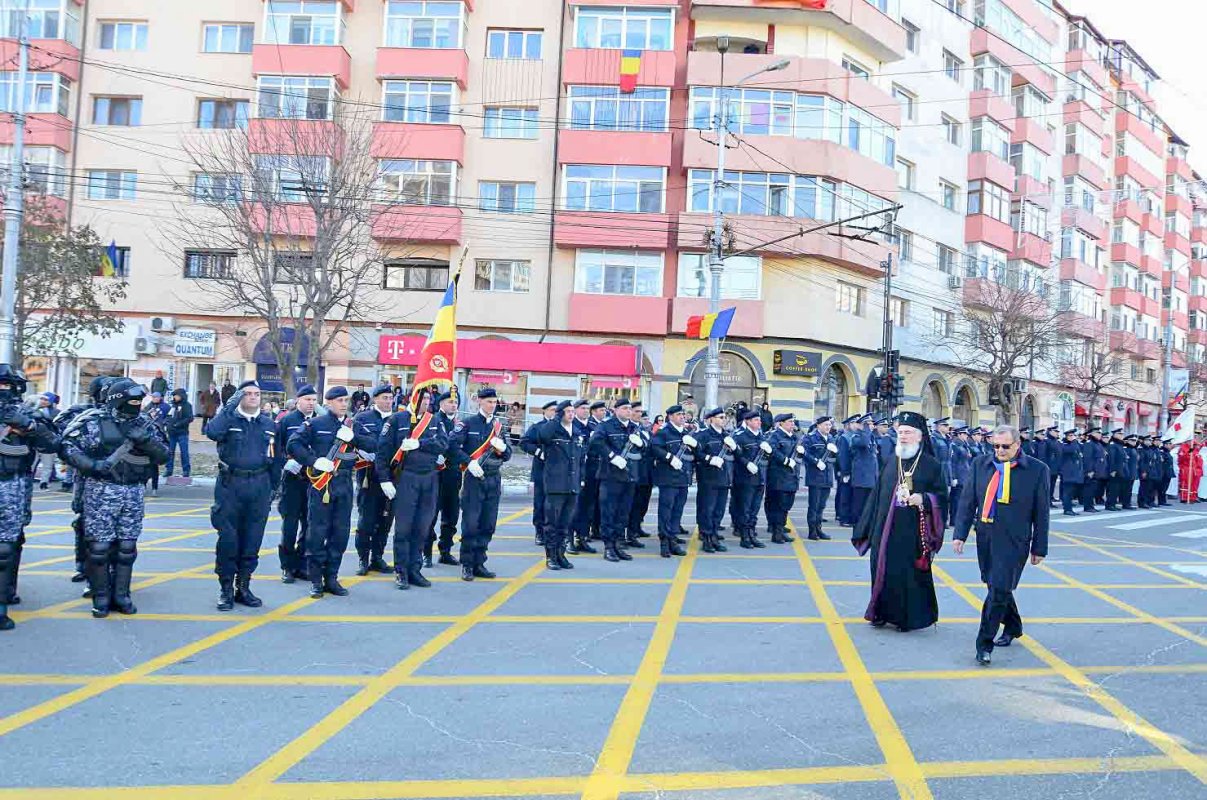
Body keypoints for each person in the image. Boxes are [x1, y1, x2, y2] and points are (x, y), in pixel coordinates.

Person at [61, 378, 170, 618]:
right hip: (101, 490)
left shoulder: (145, 424)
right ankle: (100, 597)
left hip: (132, 491)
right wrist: (92, 465)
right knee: (99, 547)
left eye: (138, 401)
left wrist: (146, 441)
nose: (136, 405)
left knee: (127, 547)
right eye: (132, 400)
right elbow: (68, 446)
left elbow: (164, 455)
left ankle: (122, 595)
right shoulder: (95, 422)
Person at [953, 424, 1050, 666]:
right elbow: (967, 502)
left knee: (998, 590)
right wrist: (960, 534)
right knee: (995, 585)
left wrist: (1039, 547)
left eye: (1005, 446)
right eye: (995, 446)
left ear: (1018, 444)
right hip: (985, 536)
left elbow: (1042, 513)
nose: (999, 451)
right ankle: (1014, 626)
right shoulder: (980, 465)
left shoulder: (1037, 470)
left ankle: (984, 644)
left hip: (1015, 540)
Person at [852, 411, 946, 633]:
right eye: (900, 432)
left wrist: (923, 499)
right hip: (884, 529)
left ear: (920, 436)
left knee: (905, 574)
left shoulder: (931, 464)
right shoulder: (891, 460)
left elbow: (941, 497)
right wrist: (867, 524)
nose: (902, 436)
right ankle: (880, 612)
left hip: (911, 531)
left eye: (908, 433)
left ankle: (905, 618)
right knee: (880, 569)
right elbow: (877, 494)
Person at [287, 386, 377, 599]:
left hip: (344, 484)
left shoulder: (354, 425)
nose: (344, 404)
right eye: (339, 400)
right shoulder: (315, 424)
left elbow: (374, 444)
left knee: (340, 533)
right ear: (328, 402)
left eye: (346, 400)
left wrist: (353, 437)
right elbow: (293, 444)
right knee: (317, 532)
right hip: (322, 485)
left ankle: (332, 577)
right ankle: (316, 580)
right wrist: (314, 461)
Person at [205, 380, 279, 611]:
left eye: (257, 394)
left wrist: (273, 488)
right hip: (231, 485)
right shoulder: (229, 420)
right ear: (239, 397)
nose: (253, 397)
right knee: (228, 541)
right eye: (247, 394)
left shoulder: (268, 424)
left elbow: (276, 458)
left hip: (259, 486)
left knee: (252, 540)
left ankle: (243, 587)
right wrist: (228, 408)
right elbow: (212, 432)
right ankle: (226, 590)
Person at [0, 367, 60, 631]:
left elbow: (52, 444)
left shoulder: (26, 413)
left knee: (9, 545)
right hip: (13, 484)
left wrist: (29, 425)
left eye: (6, 385)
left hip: (15, 483)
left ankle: (5, 597)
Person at [375, 391, 449, 589]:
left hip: (430, 478)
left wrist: (420, 443)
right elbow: (382, 453)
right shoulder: (396, 420)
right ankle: (401, 571)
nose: (426, 403)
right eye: (422, 399)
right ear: (411, 399)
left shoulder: (433, 420)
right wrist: (384, 480)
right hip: (406, 477)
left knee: (422, 526)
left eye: (428, 400)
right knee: (404, 528)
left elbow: (443, 443)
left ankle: (415, 570)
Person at [454, 387, 511, 580]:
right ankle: (467, 564)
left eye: (495, 402)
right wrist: (468, 462)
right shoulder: (468, 423)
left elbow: (508, 454)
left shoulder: (498, 426)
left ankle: (479, 562)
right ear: (480, 401)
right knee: (471, 524)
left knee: (488, 524)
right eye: (489, 402)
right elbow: (452, 446)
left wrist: (503, 449)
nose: (492, 405)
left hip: (493, 478)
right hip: (474, 479)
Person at [589, 397, 643, 562]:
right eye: (625, 408)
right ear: (616, 410)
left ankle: (619, 545)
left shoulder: (634, 428)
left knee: (623, 513)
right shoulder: (606, 426)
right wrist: (612, 456)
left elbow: (646, 448)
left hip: (629, 476)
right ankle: (609, 547)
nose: (629, 411)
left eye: (630, 408)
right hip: (610, 476)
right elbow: (595, 442)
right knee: (609, 513)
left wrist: (642, 443)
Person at [276, 385, 318, 582]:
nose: (311, 403)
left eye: (314, 400)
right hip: (293, 480)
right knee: (290, 525)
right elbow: (276, 449)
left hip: (314, 480)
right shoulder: (286, 421)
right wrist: (286, 463)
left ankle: (302, 564)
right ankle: (287, 566)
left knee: (309, 525)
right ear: (298, 400)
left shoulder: (319, 421)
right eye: (307, 399)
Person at [352, 385, 396, 576]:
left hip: (391, 476)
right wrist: (371, 449)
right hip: (369, 477)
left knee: (385, 519)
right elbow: (357, 440)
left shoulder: (398, 419)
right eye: (384, 398)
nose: (388, 401)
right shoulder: (363, 418)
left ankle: (377, 557)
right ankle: (363, 558)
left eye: (390, 398)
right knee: (367, 520)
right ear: (375, 399)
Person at [536, 400, 582, 570]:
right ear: (560, 413)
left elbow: (580, 459)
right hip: (555, 485)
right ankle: (551, 557)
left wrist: (580, 479)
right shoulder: (553, 430)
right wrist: (556, 419)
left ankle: (561, 554)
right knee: (551, 524)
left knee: (565, 524)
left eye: (572, 411)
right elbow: (541, 436)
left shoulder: (576, 432)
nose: (571, 414)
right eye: (567, 411)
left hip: (572, 485)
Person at [424, 391, 464, 568]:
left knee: (451, 515)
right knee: (430, 516)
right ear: (441, 404)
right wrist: (434, 457)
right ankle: (426, 553)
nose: (453, 405)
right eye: (450, 401)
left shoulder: (461, 423)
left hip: (453, 474)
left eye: (456, 402)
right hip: (435, 474)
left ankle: (445, 551)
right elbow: (425, 443)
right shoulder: (431, 421)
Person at [649, 404, 693, 558]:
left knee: (677, 511)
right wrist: (669, 457)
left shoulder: (686, 433)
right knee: (666, 511)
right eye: (679, 414)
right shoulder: (664, 432)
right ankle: (664, 541)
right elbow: (654, 448)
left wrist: (695, 445)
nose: (682, 416)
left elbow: (697, 452)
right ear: (671, 416)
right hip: (668, 478)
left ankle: (673, 539)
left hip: (683, 478)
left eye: (683, 414)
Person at [694, 407, 734, 553]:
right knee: (707, 509)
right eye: (720, 417)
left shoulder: (727, 435)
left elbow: (735, 455)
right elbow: (696, 453)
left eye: (724, 417)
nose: (724, 420)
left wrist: (735, 448)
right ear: (711, 419)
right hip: (708, 478)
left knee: (719, 510)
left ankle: (715, 534)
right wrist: (709, 459)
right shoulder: (703, 435)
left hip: (724, 478)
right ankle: (706, 538)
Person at [570, 400, 607, 553]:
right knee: (574, 508)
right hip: (577, 472)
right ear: (576, 410)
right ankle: (569, 539)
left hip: (592, 472)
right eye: (582, 408)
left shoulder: (594, 427)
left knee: (588, 507)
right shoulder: (572, 427)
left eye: (587, 408)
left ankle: (582, 538)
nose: (585, 411)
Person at [729, 409, 769, 549]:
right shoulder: (740, 436)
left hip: (759, 478)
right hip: (745, 478)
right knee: (745, 509)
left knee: (754, 508)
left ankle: (752, 534)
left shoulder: (761, 436)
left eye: (759, 420)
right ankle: (744, 536)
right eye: (756, 420)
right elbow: (736, 455)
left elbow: (767, 456)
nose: (759, 422)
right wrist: (747, 463)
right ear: (747, 421)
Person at [521, 401, 558, 546]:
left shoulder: (561, 428)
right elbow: (524, 443)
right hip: (541, 470)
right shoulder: (537, 427)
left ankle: (553, 532)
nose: (554, 413)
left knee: (555, 504)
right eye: (552, 410)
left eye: (556, 410)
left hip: (557, 472)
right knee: (540, 503)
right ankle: (540, 531)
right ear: (545, 412)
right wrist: (538, 451)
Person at [764, 413, 800, 544]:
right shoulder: (775, 436)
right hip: (779, 476)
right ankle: (777, 533)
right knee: (778, 505)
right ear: (781, 423)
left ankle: (781, 529)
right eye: (790, 422)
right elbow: (772, 451)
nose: (792, 424)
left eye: (793, 422)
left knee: (786, 506)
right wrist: (785, 460)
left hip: (791, 476)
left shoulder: (794, 437)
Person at [803, 416, 837, 540]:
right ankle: (812, 531)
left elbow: (834, 456)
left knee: (822, 506)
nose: (828, 427)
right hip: (815, 476)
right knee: (814, 505)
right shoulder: (810, 438)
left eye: (829, 425)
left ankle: (819, 529)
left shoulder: (831, 438)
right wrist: (815, 461)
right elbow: (804, 453)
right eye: (826, 425)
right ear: (818, 426)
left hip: (827, 476)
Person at [624, 402, 653, 548]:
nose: (639, 414)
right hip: (633, 472)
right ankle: (629, 533)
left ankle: (636, 527)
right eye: (636, 411)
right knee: (631, 505)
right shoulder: (629, 430)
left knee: (642, 504)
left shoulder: (644, 430)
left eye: (640, 412)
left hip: (646, 473)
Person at [849, 414, 879, 527]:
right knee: (859, 505)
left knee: (868, 505)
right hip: (861, 478)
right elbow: (863, 443)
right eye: (869, 424)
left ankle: (865, 525)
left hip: (871, 478)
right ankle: (857, 525)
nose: (872, 426)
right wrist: (865, 429)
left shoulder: (870, 436)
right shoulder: (857, 436)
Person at [163, 388, 194, 480]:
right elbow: (168, 416)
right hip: (172, 433)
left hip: (182, 433)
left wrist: (178, 424)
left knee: (184, 452)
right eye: (174, 396)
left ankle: (186, 470)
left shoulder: (187, 405)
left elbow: (190, 418)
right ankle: (169, 469)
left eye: (176, 395)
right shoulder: (173, 405)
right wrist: (167, 423)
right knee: (170, 452)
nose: (174, 397)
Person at [835, 415, 857, 526]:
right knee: (845, 495)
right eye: (853, 423)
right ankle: (843, 518)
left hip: (855, 471)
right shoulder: (844, 437)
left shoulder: (855, 436)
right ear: (848, 425)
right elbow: (842, 457)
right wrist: (845, 472)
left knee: (851, 495)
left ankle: (849, 517)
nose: (855, 425)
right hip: (847, 471)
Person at [1057, 429, 1084, 516]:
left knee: (1071, 492)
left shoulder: (1074, 444)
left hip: (1074, 473)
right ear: (1067, 437)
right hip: (1067, 473)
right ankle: (1067, 509)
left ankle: (1069, 508)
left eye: (1074, 436)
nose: (1073, 438)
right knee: (1067, 492)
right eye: (1071, 436)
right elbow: (1072, 450)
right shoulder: (1064, 445)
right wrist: (1074, 441)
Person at [1042, 426, 1061, 506]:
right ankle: (1046, 501)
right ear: (1050, 432)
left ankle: (1050, 499)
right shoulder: (1046, 441)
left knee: (1052, 485)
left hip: (1055, 467)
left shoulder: (1056, 441)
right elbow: (1043, 455)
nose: (1057, 433)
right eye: (1055, 431)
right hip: (1049, 466)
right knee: (1047, 485)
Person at [1158, 437, 1175, 505]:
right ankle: (1161, 501)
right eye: (1168, 444)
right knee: (1162, 487)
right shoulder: (1162, 452)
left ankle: (1163, 500)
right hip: (1164, 472)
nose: (1169, 445)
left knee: (1165, 487)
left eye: (1170, 444)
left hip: (1168, 472)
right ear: (1164, 444)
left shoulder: (1167, 452)